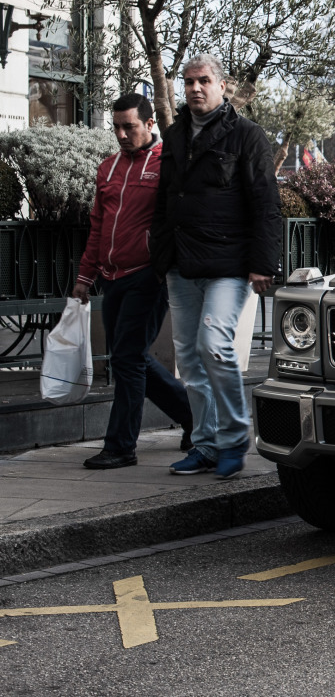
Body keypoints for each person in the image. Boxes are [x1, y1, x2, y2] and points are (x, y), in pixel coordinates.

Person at [151, 54, 282, 479]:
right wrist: (160, 256)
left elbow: (266, 205)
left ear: (222, 86)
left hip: (229, 264)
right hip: (181, 263)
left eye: (203, 81)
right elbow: (165, 201)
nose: (194, 89)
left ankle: (232, 436)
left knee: (214, 345)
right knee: (189, 359)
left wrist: (263, 263)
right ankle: (205, 445)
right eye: (188, 82)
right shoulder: (173, 136)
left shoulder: (248, 136)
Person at [76, 94, 194, 469]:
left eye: (130, 126)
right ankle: (194, 416)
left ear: (149, 125)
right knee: (131, 358)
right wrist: (85, 275)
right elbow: (98, 226)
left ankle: (121, 446)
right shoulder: (107, 168)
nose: (122, 134)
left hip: (148, 275)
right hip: (112, 278)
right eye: (117, 127)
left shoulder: (166, 165)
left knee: (126, 358)